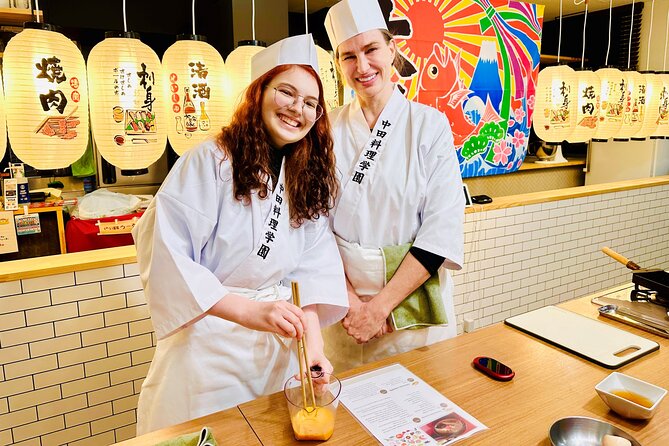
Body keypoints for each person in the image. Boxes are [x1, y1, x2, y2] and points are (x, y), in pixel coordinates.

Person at [132, 34, 348, 434]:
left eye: (311, 104)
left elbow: (312, 275)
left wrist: (313, 352)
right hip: (206, 345)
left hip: (275, 349)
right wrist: (251, 312)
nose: (297, 110)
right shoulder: (210, 160)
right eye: (287, 92)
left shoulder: (308, 175)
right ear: (259, 91)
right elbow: (167, 250)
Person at [322, 0, 465, 373]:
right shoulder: (325, 131)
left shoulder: (429, 126)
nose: (362, 66)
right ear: (338, 65)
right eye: (349, 56)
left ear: (393, 50)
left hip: (408, 309)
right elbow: (313, 224)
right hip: (344, 311)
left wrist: (379, 308)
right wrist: (353, 305)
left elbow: (440, 231)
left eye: (371, 50)